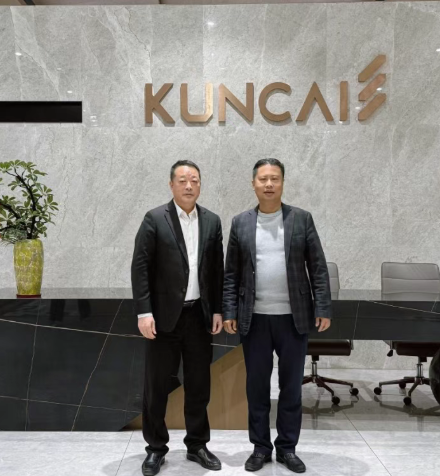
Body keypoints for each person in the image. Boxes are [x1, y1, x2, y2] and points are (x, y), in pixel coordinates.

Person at [223, 158, 332, 473]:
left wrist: (322, 307)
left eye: (275, 178)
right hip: (254, 318)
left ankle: (287, 448)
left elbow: (318, 267)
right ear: (253, 184)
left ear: (283, 183)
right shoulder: (240, 223)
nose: (269, 184)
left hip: (293, 319)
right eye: (263, 179)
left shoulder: (301, 219)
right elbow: (231, 274)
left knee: (291, 387)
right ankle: (260, 447)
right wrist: (229, 310)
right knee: (256, 388)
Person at [131, 160, 224, 476]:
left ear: (200, 185)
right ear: (171, 184)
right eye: (182, 180)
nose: (188, 185)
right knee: (157, 387)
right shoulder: (155, 219)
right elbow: (140, 268)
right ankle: (156, 448)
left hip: (199, 316)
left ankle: (197, 445)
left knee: (199, 385)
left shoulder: (212, 221)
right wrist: (144, 312)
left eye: (194, 180)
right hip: (162, 319)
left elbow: (216, 270)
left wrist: (217, 309)